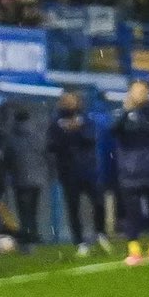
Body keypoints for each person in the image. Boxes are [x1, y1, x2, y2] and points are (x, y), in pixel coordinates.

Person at [111, 80, 149, 267]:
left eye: (142, 90)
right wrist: (127, 110)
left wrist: (146, 105)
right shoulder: (121, 112)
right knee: (132, 213)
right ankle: (134, 249)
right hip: (129, 170)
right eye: (135, 90)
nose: (138, 94)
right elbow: (113, 129)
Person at [48, 91, 104, 256]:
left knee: (98, 202)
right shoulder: (56, 122)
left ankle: (100, 233)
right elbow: (51, 145)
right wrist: (67, 133)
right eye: (66, 100)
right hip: (68, 171)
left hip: (88, 170)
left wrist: (77, 130)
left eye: (73, 100)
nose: (70, 103)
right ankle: (79, 242)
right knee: (73, 208)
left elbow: (91, 139)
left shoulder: (86, 119)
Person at [4, 104, 50, 246]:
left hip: (20, 178)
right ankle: (34, 234)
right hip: (37, 178)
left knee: (23, 210)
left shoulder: (11, 137)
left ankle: (27, 235)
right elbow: (44, 153)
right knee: (33, 209)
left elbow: (8, 157)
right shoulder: (37, 134)